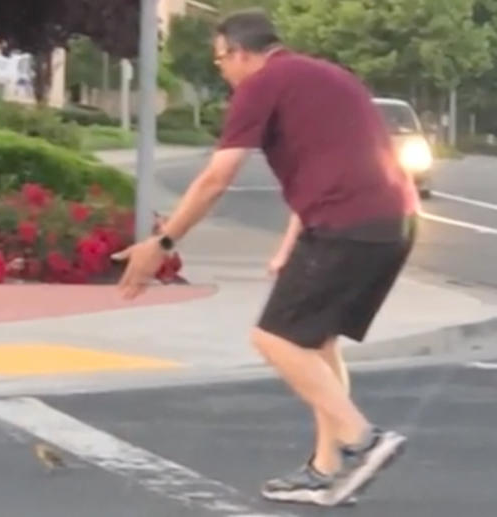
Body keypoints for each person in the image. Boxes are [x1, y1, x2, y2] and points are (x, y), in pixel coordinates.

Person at [113, 8, 418, 507]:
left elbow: (216, 178)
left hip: (347, 225)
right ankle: (326, 471)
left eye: (220, 61)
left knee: (273, 338)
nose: (222, 72)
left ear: (239, 52)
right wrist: (289, 244)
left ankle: (364, 441)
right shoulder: (330, 76)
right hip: (392, 223)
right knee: (316, 343)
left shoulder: (262, 84)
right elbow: (339, 161)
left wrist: (163, 243)